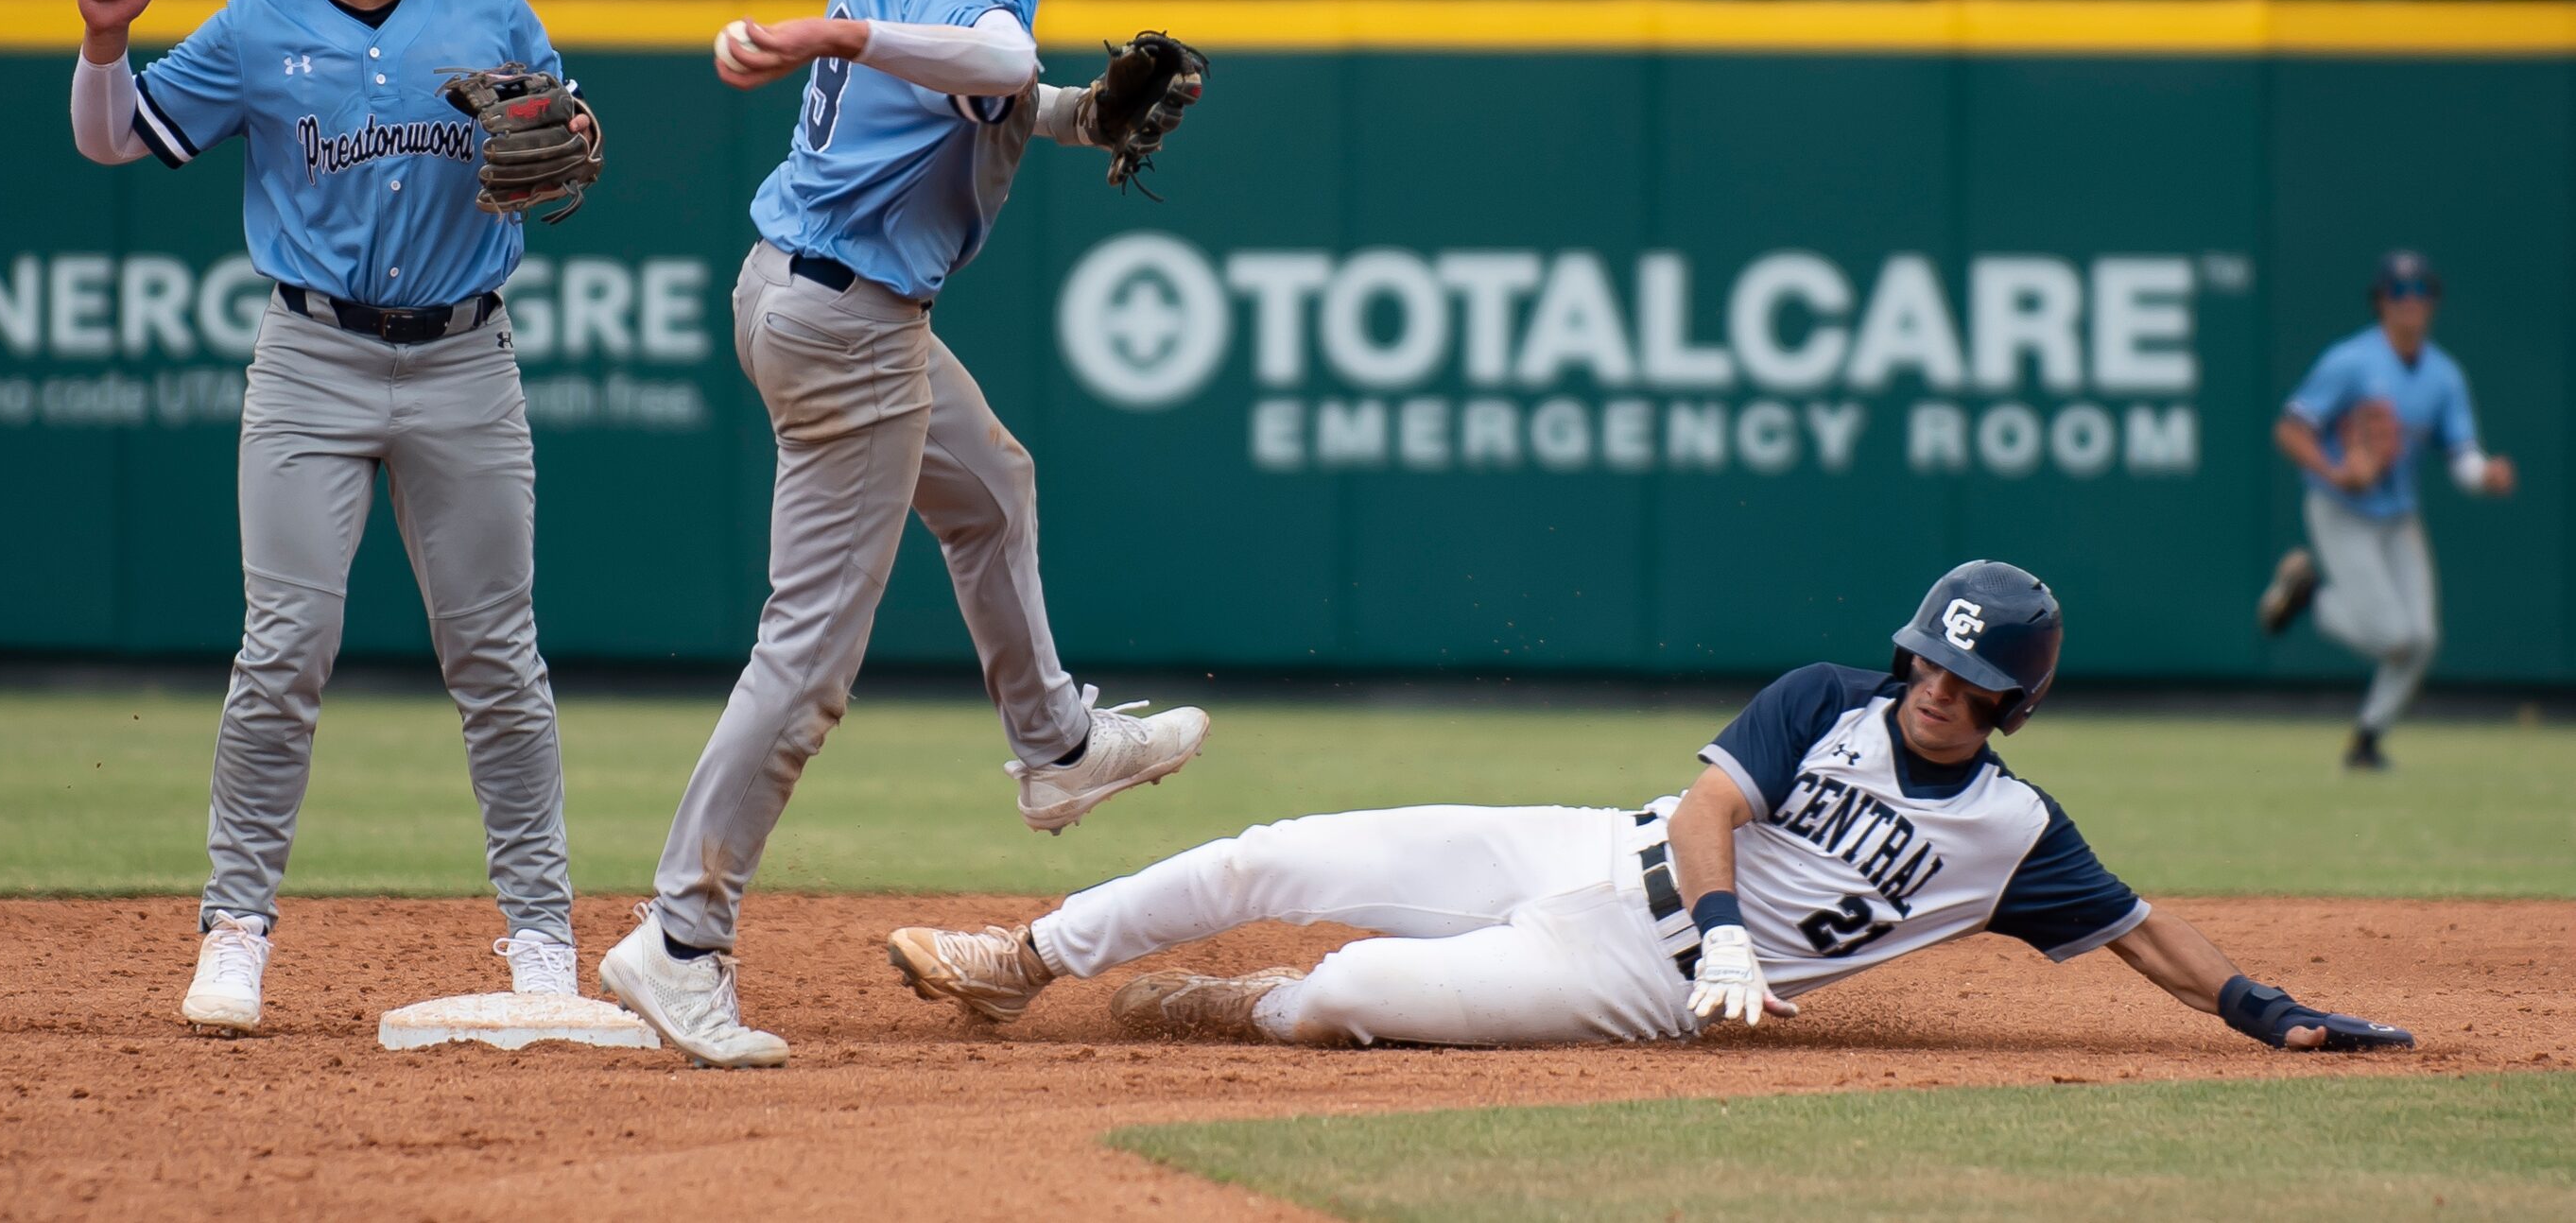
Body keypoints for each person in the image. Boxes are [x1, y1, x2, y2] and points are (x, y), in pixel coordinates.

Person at [596, 0, 1210, 1069]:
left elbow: (982, 79)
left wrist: (1082, 115)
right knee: (807, 658)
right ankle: (680, 940)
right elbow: (972, 54)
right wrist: (833, 35)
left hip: (807, 294)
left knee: (993, 488)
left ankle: (1054, 744)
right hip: (848, 327)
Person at [885, 562, 2412, 1056]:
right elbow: (1699, 817)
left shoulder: (2009, 832)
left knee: (1346, 986)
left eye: (1967, 685)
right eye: (1927, 667)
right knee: (1275, 846)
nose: (1935, 694)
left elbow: (2139, 931)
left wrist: (2262, 1008)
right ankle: (1017, 958)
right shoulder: (1828, 693)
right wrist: (1738, 931)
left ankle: (1242, 1002)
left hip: (1629, 985)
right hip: (1586, 848)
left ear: (2010, 704)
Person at [70, 0, 594, 1032]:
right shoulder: (258, 29)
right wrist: (103, 45)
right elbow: (112, 141)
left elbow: (569, 131)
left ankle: (540, 934)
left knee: (496, 659)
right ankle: (235, 927)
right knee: (284, 648)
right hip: (312, 361)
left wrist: (569, 130)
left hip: (466, 356)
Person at [2257, 251, 2516, 769]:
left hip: (2397, 514)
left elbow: (2462, 455)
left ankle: (2367, 739)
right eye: (2399, 291)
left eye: (2421, 291)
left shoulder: (2444, 375)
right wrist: (2333, 469)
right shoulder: (2351, 361)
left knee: (2421, 639)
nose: (2411, 302)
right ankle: (2310, 600)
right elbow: (2290, 427)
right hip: (2340, 506)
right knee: (2393, 636)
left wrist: (2484, 475)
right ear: (2380, 301)